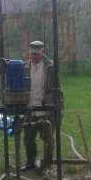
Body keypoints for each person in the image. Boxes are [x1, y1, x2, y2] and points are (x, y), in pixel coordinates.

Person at [21, 40, 56, 172]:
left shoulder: (50, 67)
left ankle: (46, 165)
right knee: (28, 138)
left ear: (42, 53)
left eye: (36, 54)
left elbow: (56, 89)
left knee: (47, 138)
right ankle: (30, 162)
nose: (33, 57)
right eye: (32, 54)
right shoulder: (24, 67)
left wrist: (49, 103)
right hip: (30, 108)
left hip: (45, 108)